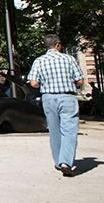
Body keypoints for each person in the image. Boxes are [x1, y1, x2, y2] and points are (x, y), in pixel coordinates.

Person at [27, 34, 85, 177]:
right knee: (69, 130)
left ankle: (58, 161)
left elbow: (33, 83)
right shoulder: (69, 59)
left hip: (48, 98)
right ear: (58, 45)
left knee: (54, 131)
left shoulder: (39, 61)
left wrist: (46, 83)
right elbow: (80, 81)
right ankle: (66, 162)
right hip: (67, 97)